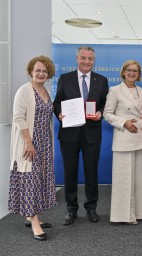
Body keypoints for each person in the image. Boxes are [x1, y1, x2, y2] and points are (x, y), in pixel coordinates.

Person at [53, 46, 109, 225]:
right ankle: (71, 209)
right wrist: (60, 113)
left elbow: (105, 104)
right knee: (70, 172)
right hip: (69, 133)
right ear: (77, 58)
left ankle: (91, 208)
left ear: (94, 60)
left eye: (90, 58)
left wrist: (100, 112)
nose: (87, 61)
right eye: (83, 58)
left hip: (92, 133)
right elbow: (57, 103)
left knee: (91, 172)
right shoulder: (65, 78)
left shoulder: (101, 80)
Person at [8, 55, 56, 241]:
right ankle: (34, 222)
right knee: (30, 180)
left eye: (44, 71)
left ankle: (32, 214)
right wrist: (28, 142)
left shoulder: (46, 91)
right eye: (38, 70)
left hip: (45, 142)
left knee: (40, 180)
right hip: (29, 143)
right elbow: (18, 117)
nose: (41, 73)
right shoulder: (24, 90)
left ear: (48, 73)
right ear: (31, 71)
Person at [103, 60, 142, 224]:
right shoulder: (115, 90)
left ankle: (138, 213)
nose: (132, 73)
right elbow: (107, 114)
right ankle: (123, 216)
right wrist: (124, 123)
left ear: (139, 73)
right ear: (123, 72)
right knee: (124, 179)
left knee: (138, 179)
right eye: (129, 70)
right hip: (124, 139)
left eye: (135, 70)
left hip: (139, 139)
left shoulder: (141, 90)